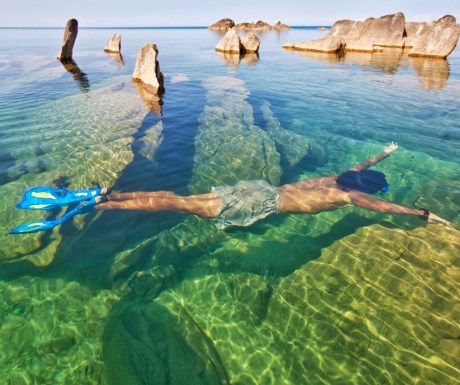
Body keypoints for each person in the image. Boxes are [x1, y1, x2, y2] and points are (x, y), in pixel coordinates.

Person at [93, 142, 451, 229]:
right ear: (366, 189)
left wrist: (385, 153)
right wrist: (422, 213)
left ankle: (113, 195)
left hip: (259, 189)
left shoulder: (340, 177)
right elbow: (386, 208)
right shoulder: (349, 195)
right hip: (259, 205)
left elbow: (365, 164)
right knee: (178, 205)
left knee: (181, 198)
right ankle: (102, 205)